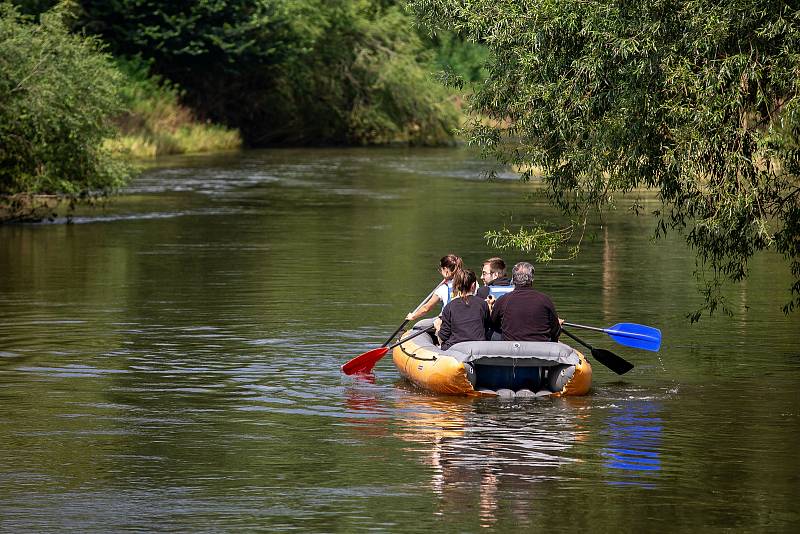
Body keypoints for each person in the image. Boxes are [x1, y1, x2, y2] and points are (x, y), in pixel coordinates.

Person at [490, 261, 562, 342]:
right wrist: (558, 324)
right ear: (532, 279)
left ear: (513, 280)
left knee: (491, 333)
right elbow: (555, 331)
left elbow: (493, 324)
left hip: (511, 349)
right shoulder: (545, 300)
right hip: (540, 349)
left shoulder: (503, 300)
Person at [438, 269, 491, 350]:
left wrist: (438, 327)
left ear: (456, 286)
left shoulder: (449, 307)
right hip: (479, 348)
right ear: (473, 285)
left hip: (455, 348)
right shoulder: (483, 304)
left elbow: (444, 336)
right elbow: (487, 327)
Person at [406, 254, 463, 322]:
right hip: (467, 318)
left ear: (446, 270)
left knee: (420, 324)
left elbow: (426, 308)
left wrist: (413, 316)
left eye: (441, 269)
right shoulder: (472, 282)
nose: (440, 272)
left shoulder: (443, 288)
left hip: (449, 322)